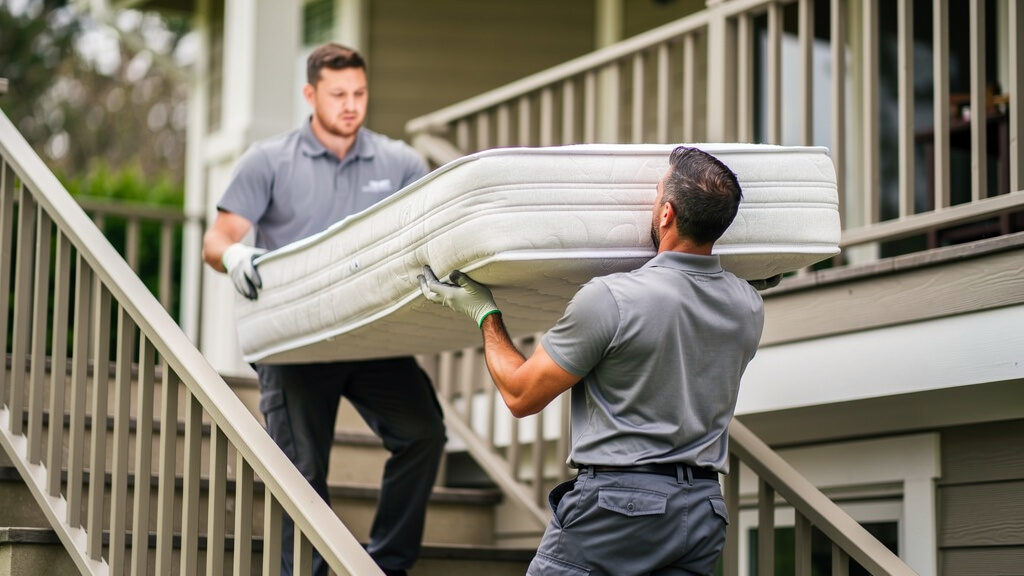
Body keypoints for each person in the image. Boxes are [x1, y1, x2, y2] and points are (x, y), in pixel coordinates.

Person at [419, 145, 768, 576]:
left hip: (621, 507)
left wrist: (484, 314)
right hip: (703, 513)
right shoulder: (749, 306)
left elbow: (520, 393)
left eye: (657, 193)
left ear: (667, 215)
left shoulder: (612, 299)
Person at [202, 43, 445, 576]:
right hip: (293, 342)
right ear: (310, 94)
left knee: (424, 433)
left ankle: (387, 564)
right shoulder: (269, 160)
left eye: (359, 93)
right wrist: (237, 253)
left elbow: (424, 236)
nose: (351, 105)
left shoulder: (399, 161)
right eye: (338, 95)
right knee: (300, 471)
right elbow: (216, 241)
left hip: (370, 338)